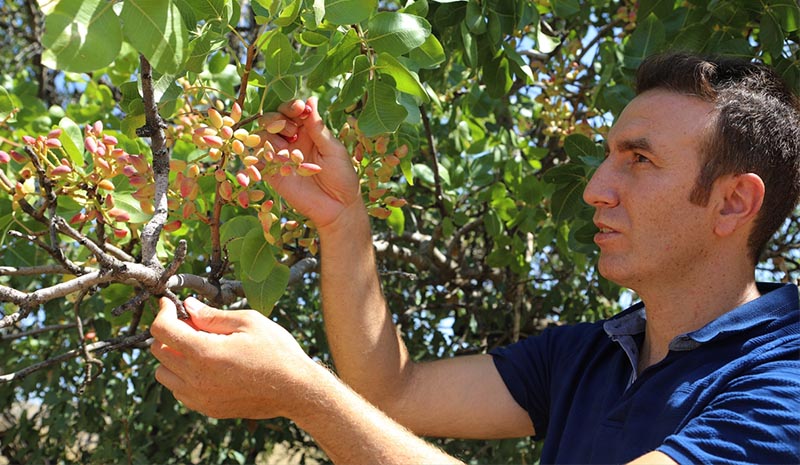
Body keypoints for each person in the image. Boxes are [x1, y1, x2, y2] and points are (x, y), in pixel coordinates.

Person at [150, 52, 800, 464]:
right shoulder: (589, 355)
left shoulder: (784, 385)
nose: (597, 187)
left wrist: (302, 392)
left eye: (639, 159)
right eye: (609, 156)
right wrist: (341, 218)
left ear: (733, 203)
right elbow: (392, 393)